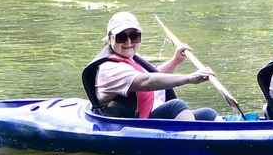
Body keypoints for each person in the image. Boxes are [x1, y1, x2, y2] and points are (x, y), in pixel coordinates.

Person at [82, 11, 220, 120]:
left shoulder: (131, 58)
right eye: (121, 37)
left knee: (207, 113)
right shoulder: (110, 68)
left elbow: (154, 76)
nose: (128, 42)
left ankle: (229, 135)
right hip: (133, 124)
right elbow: (147, 82)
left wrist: (175, 61)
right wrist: (190, 78)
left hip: (151, 114)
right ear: (110, 39)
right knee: (176, 106)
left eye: (134, 36)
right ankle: (193, 142)